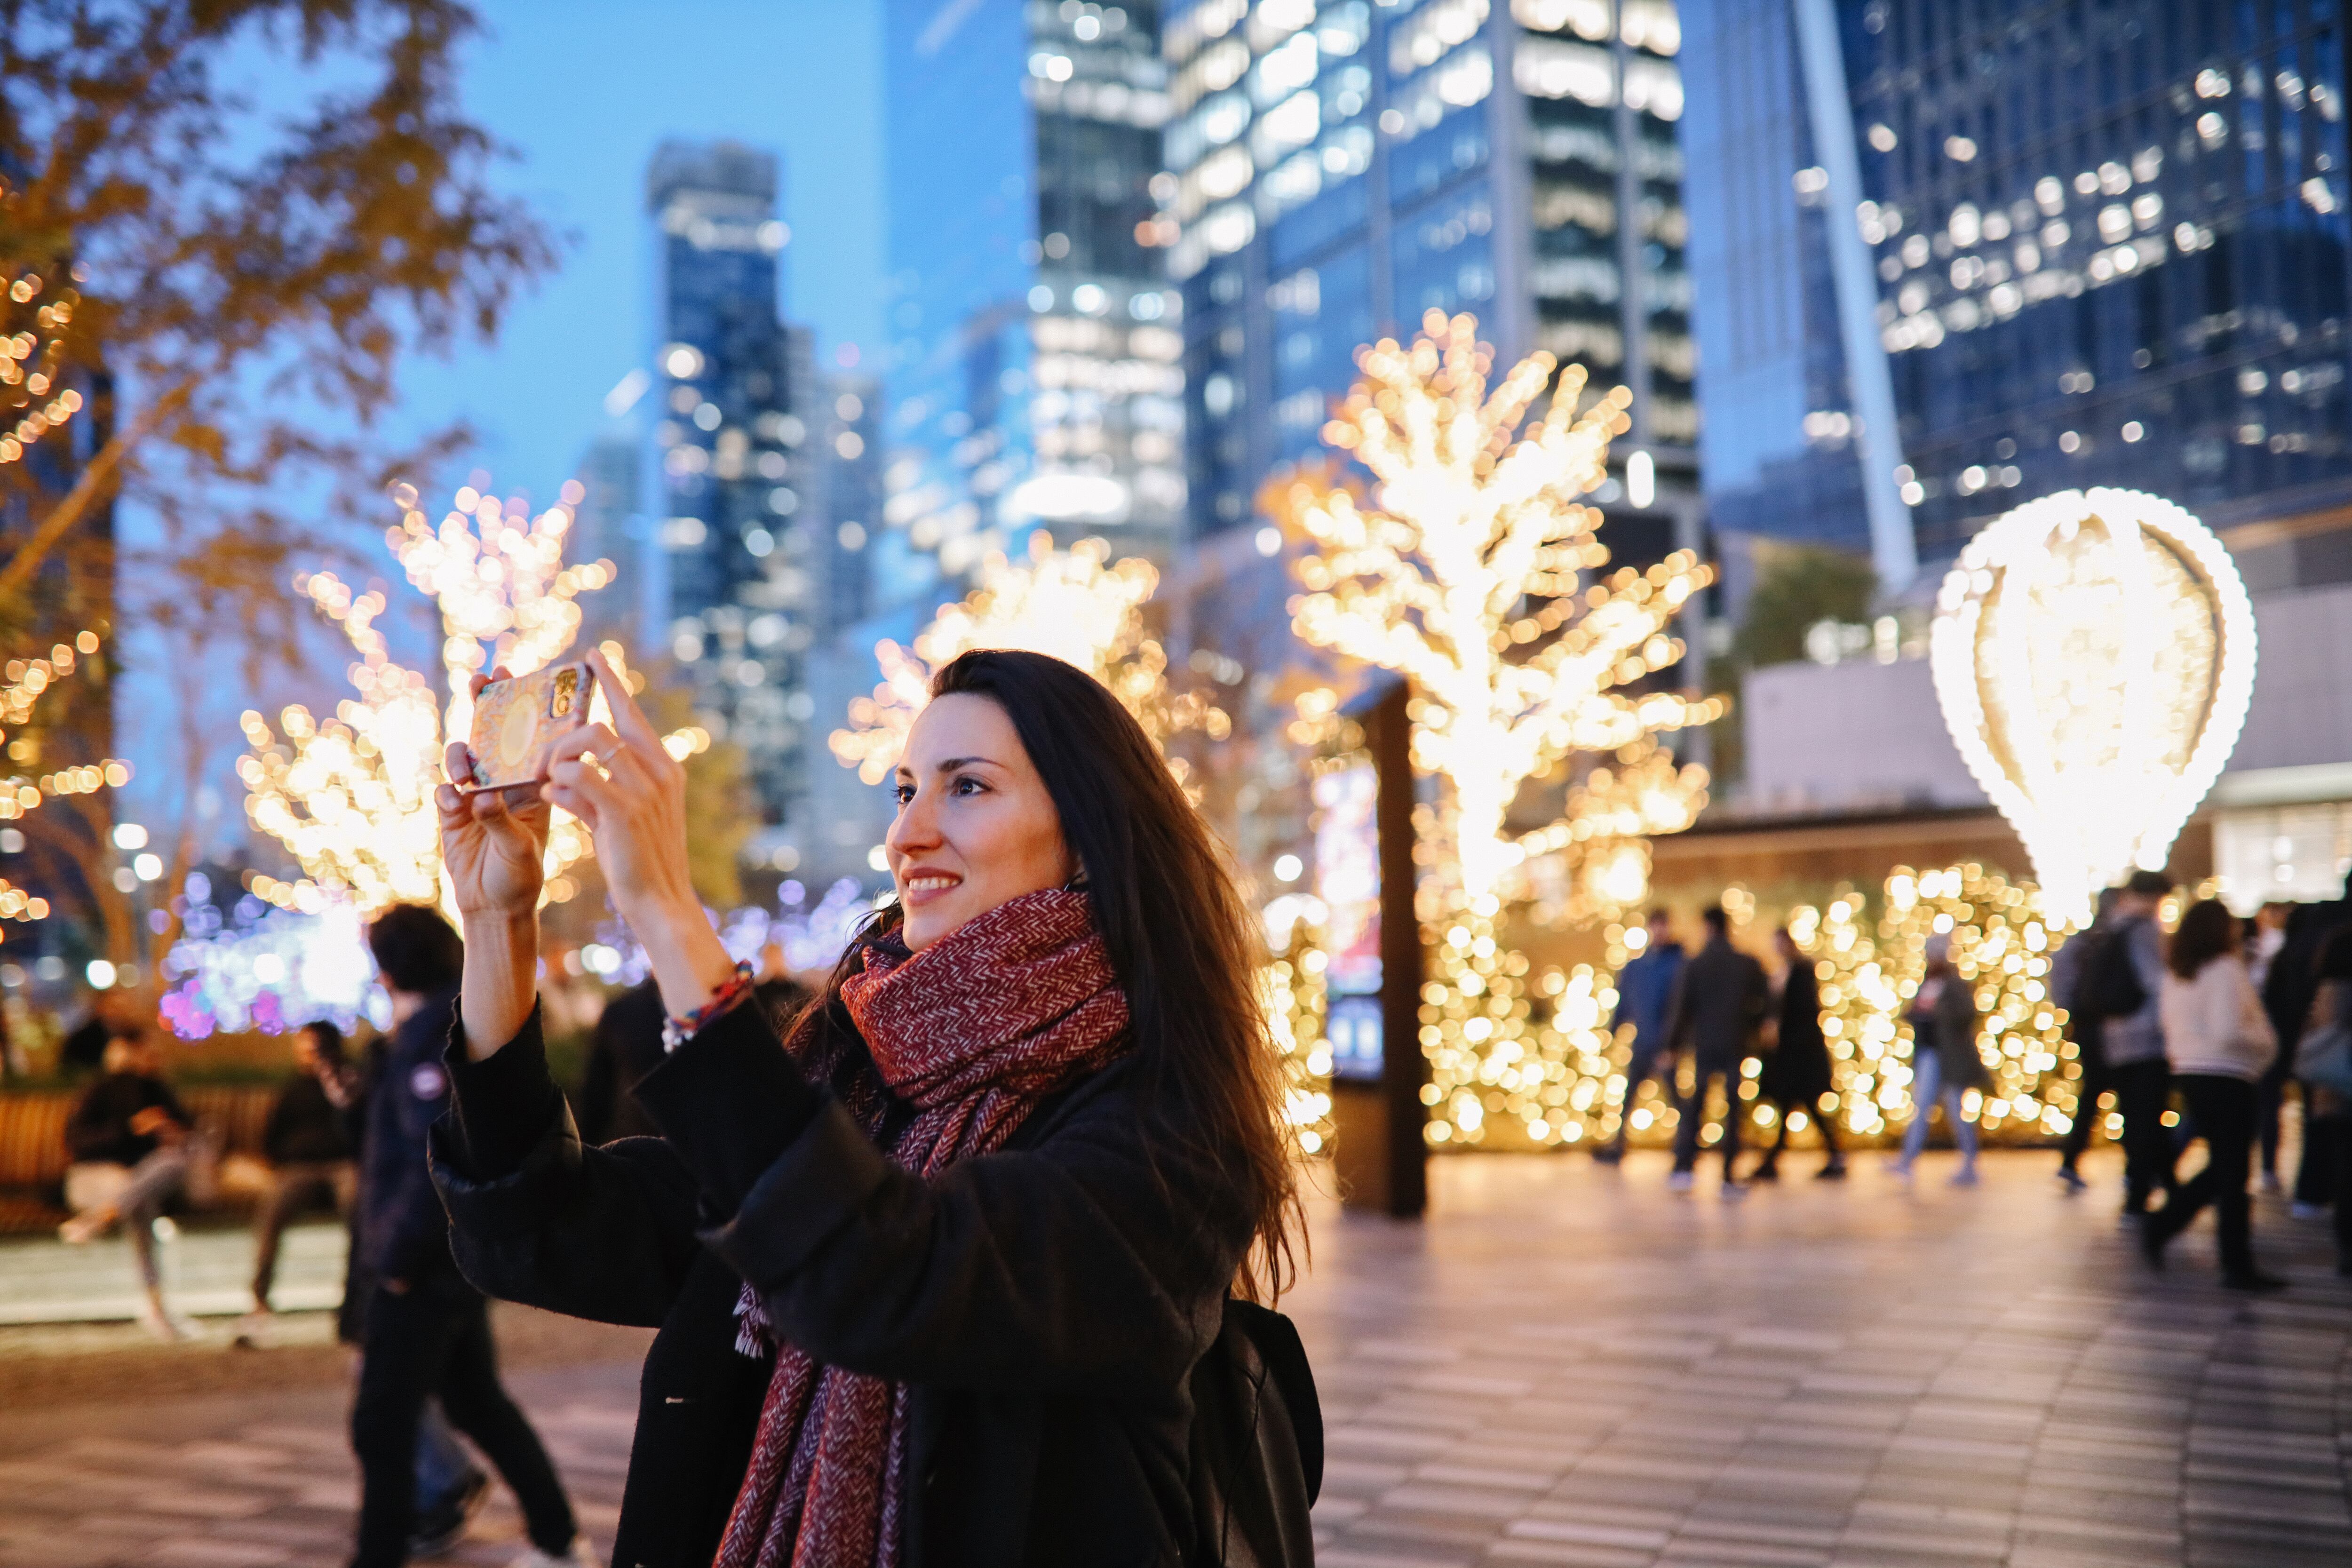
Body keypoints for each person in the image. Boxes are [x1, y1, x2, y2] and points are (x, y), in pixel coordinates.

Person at [429, 647, 1301, 1566]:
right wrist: (498, 923)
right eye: (903, 790)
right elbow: (542, 1228)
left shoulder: (1165, 1130)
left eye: (966, 787)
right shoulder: (851, 1072)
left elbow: (887, 1274)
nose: (909, 833)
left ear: (1086, 836)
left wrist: (665, 906)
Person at [347, 903, 587, 1568]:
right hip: (445, 1258)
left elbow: (428, 1161)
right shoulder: (438, 1029)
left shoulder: (432, 1038)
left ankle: (381, 1556)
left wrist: (393, 1261)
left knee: (382, 1424)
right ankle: (557, 1536)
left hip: (421, 1265)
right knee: (477, 1402)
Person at [2140, 898, 2283, 1290]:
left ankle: (2171, 1227)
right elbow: (2228, 1030)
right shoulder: (2223, 969)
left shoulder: (2178, 973)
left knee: (2226, 1166)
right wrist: (2267, 1044)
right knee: (2233, 1169)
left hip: (2192, 1071)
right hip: (2229, 1073)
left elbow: (2172, 1025)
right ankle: (2233, 1262)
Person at [58, 1026, 207, 1338]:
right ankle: (157, 1307)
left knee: (165, 1170)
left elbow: (191, 1140)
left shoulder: (157, 1090)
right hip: (94, 1178)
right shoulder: (99, 1090)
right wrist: (130, 1130)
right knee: (140, 1201)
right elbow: (77, 1142)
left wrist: (167, 1129)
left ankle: (99, 1220)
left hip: (135, 1183)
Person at [249, 1020, 360, 1315]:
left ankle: (356, 1292)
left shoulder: (347, 1081)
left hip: (341, 1164)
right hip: (298, 1168)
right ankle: (260, 1296)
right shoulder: (293, 1088)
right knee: (274, 1207)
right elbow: (271, 1136)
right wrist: (277, 1162)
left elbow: (361, 1127)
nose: (305, 1052)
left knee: (358, 1205)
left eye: (312, 1045)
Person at [1665, 906, 1766, 1196]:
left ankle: (1684, 1167)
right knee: (1733, 1111)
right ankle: (1728, 1175)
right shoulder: (1745, 964)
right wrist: (1753, 1030)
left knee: (1696, 1106)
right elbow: (1762, 1002)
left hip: (1706, 1044)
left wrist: (1671, 1045)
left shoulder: (1697, 964)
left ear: (1707, 927)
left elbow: (1682, 1007)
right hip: (1735, 1043)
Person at [2095, 871, 2179, 1217]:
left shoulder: (2113, 926)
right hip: (2146, 1036)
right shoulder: (2144, 929)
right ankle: (2143, 1190)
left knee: (2134, 1116)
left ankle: (2157, 1185)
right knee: (2148, 1116)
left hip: (2115, 1036)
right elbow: (2155, 981)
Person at [1888, 934, 1985, 1185]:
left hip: (1950, 1057)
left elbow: (1966, 1014)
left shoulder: (1953, 983)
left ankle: (1970, 1162)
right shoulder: (1927, 982)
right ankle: (1906, 1161)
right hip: (1929, 1054)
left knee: (1956, 1110)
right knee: (1921, 1108)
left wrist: (1938, 1012)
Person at [1752, 926, 1844, 1181]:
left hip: (1799, 1055)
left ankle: (1775, 1160)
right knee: (1794, 1107)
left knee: (1795, 1105)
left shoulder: (1801, 972)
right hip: (1790, 1055)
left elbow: (1801, 1012)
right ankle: (1830, 1155)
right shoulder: (1783, 972)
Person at [1595, 908, 1684, 1165]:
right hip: (1644, 1042)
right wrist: (1612, 1032)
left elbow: (1681, 1006)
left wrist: (1675, 1042)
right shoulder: (1637, 966)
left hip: (1665, 1043)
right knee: (1629, 1096)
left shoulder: (1678, 963)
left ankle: (1686, 1146)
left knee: (1676, 1098)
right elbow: (1626, 1002)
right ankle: (1618, 1145)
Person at [2301, 926, 2352, 1277]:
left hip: (2331, 1088)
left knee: (2344, 1167)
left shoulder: (2323, 988)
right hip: (2344, 1085)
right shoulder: (2343, 991)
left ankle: (2346, 1245)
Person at [2246, 901, 2294, 1193]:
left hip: (2256, 1040)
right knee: (2267, 1102)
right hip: (2262, 1038)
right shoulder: (2268, 949)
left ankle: (2266, 1167)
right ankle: (2267, 1168)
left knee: (2265, 1102)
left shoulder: (2268, 948)